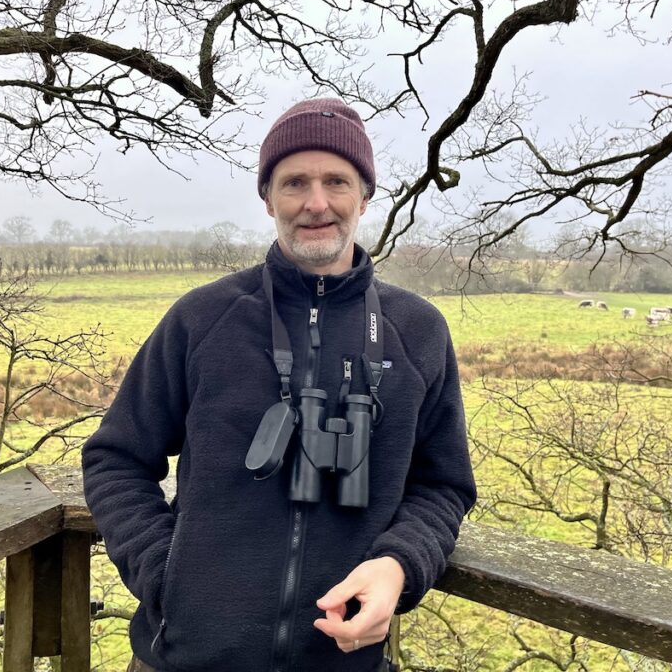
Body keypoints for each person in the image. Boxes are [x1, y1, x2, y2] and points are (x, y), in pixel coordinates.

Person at [82, 97, 477, 672]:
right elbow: (115, 457)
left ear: (364, 196)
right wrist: (166, 573)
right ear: (268, 199)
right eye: (294, 183)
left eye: (336, 181)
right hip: (183, 660)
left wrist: (398, 565)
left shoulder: (416, 332)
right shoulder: (204, 318)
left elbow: (444, 486)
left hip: (343, 661)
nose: (316, 203)